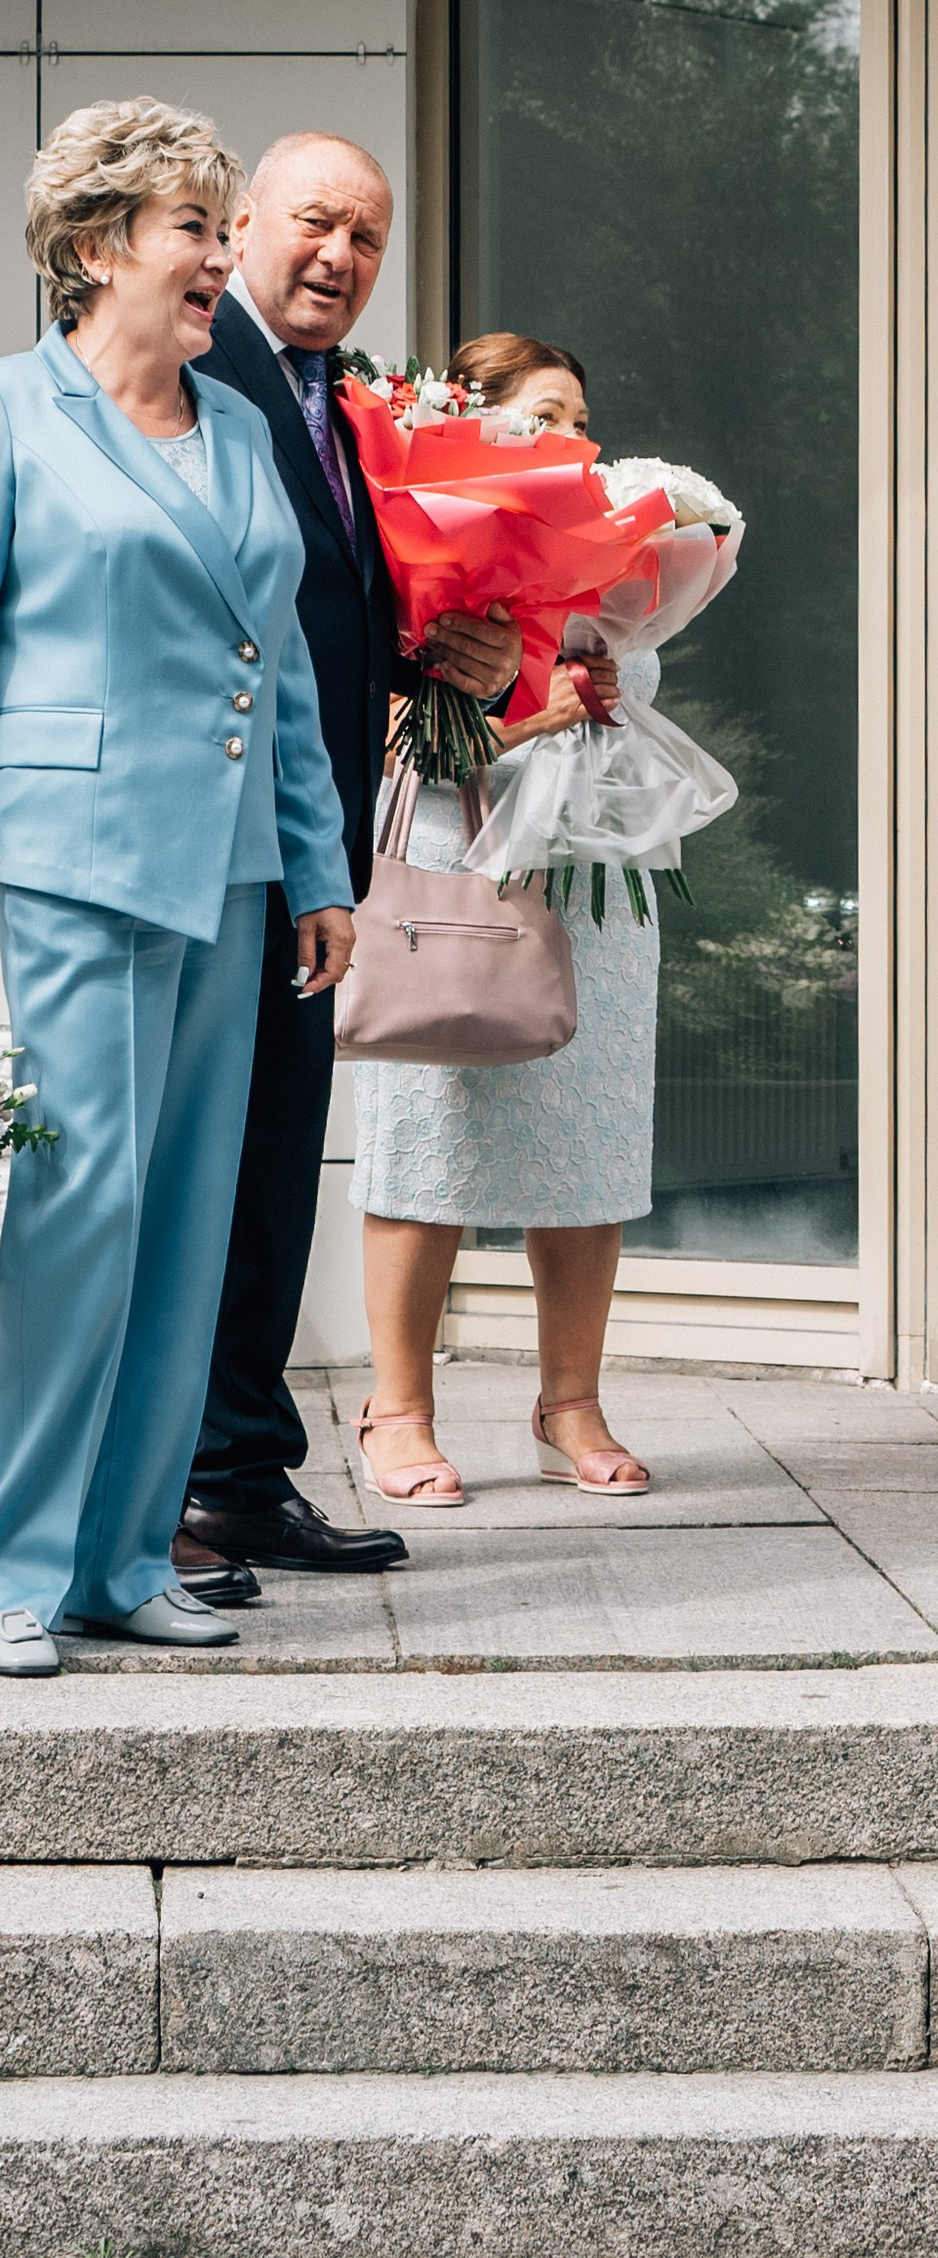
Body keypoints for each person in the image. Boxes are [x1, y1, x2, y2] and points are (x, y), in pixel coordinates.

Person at [0, 99, 354, 1678]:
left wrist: (318, 870)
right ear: (96, 249)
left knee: (182, 1230)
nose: (222, 258)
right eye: (193, 229)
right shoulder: (16, 422)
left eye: (222, 227)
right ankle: (13, 1564)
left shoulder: (237, 434)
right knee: (73, 1219)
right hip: (63, 872)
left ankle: (123, 1557)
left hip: (229, 880)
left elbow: (273, 673)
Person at [178, 133, 518, 1596]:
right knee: (208, 1177)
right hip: (212, 848)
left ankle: (242, 1473)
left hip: (309, 849)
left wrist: (455, 654)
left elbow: (334, 606)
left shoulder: (346, 400)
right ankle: (186, 1483)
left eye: (368, 238)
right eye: (316, 223)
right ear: (242, 224)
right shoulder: (197, 378)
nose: (341, 256)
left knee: (267, 1181)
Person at [349, 336, 657, 1505]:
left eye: (580, 418)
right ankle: (398, 1410)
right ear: (469, 428)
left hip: (588, 877)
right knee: (427, 1136)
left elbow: (615, 711)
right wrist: (533, 715)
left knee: (589, 1143)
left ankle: (569, 1403)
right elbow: (385, 741)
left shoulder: (618, 557)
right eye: (540, 417)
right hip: (450, 875)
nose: (568, 439)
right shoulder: (402, 556)